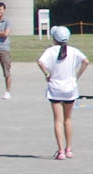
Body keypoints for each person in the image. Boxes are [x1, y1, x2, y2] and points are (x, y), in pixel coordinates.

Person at [38, 25, 88, 159]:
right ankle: (69, 149)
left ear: (54, 38)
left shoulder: (50, 50)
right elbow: (85, 61)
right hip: (70, 88)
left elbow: (40, 62)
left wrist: (47, 74)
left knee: (58, 120)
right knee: (68, 119)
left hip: (55, 88)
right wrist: (76, 76)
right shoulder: (73, 51)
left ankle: (60, 151)